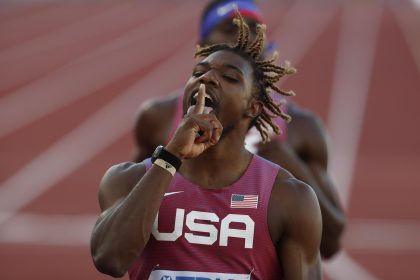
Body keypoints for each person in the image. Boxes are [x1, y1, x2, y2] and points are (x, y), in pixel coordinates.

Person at [91, 11, 322, 279]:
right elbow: (110, 260)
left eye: (230, 78)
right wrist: (170, 158)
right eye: (198, 72)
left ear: (253, 107)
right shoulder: (128, 179)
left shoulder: (289, 199)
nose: (207, 79)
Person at [133, 0, 345, 259]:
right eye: (230, 27)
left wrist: (290, 166)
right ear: (202, 46)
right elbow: (124, 215)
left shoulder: (301, 128)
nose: (245, 35)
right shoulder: (160, 118)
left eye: (255, 28)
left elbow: (331, 243)